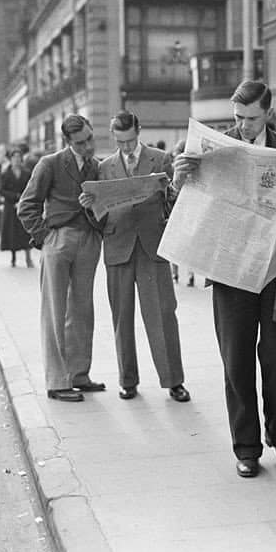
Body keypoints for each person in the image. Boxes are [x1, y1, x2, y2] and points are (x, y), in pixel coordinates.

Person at [172, 80, 276, 479]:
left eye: (250, 118)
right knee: (237, 360)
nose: (243, 126)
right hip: (231, 270)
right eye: (237, 118)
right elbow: (187, 206)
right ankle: (246, 447)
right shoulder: (212, 147)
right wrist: (182, 178)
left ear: (268, 112)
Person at [80, 110, 189, 402]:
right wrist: (91, 206)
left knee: (163, 316)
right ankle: (128, 380)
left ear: (138, 131)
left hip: (153, 247)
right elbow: (98, 220)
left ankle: (173, 381)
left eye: (129, 141)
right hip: (118, 247)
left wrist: (173, 192)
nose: (126, 148)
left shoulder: (161, 159)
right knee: (122, 319)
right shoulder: (105, 168)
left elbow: (175, 203)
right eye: (120, 142)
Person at [17, 114, 106, 402]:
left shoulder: (97, 167)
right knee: (55, 311)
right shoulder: (50, 164)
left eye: (90, 139)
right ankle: (57, 381)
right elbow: (26, 205)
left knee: (82, 309)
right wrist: (44, 237)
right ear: (67, 142)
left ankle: (79, 374)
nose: (88, 146)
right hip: (58, 239)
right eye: (81, 143)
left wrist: (95, 213)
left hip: (88, 240)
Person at [0, 149, 34, 268]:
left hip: (24, 205)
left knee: (26, 231)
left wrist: (23, 198)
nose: (17, 160)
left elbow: (31, 187)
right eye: (14, 158)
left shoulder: (27, 173)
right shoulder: (5, 173)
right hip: (10, 206)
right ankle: (13, 257)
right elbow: (1, 190)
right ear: (11, 159)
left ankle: (28, 258)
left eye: (19, 157)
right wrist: (14, 197)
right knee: (12, 231)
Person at [168, 139, 194, 287]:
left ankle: (175, 274)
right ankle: (190, 275)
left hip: (176, 213)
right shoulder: (195, 169)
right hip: (189, 213)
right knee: (189, 246)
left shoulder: (174, 169)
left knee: (175, 245)